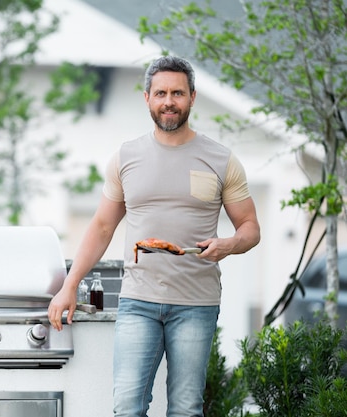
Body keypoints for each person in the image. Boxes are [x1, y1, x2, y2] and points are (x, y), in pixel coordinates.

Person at [47, 55, 261, 417]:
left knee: (185, 408)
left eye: (177, 93)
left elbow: (251, 228)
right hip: (138, 302)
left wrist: (228, 245)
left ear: (192, 97)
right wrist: (70, 285)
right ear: (146, 98)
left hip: (197, 302)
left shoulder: (221, 159)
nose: (169, 102)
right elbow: (102, 226)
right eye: (160, 93)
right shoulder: (126, 157)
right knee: (127, 406)